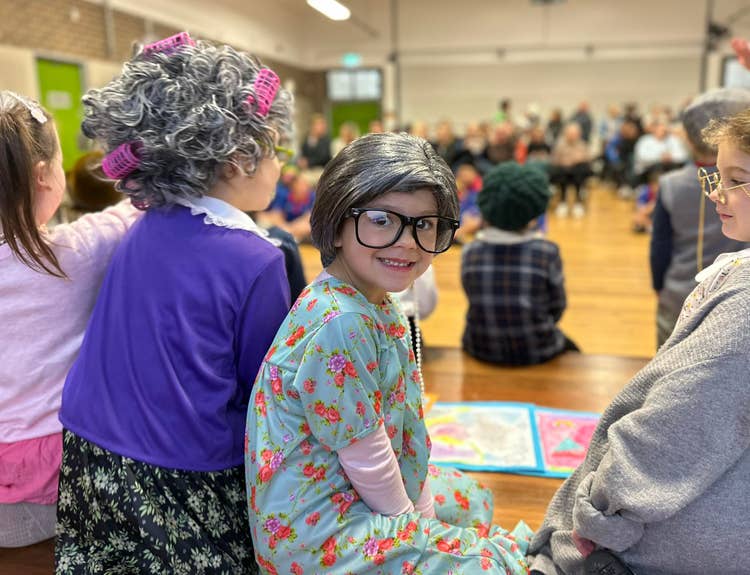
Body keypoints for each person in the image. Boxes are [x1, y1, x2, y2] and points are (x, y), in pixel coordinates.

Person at [56, 34, 293, 574]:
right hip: (183, 467)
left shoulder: (146, 222)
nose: (281, 166)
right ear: (237, 160)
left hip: (91, 449)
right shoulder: (257, 258)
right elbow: (268, 394)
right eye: (275, 151)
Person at [245, 132, 532, 575]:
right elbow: (368, 457)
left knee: (473, 499)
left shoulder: (374, 301)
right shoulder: (339, 320)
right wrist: (421, 532)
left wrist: (426, 524)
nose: (408, 242)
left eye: (425, 224)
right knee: (502, 563)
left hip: (353, 489)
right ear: (337, 223)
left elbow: (393, 430)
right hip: (318, 533)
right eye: (381, 219)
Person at [527, 108, 750, 575]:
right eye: (719, 176)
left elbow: (676, 429)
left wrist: (595, 522)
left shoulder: (743, 312)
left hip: (645, 546)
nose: (718, 194)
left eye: (737, 180)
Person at [0, 92, 138, 547]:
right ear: (44, 177)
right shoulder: (70, 254)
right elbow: (132, 208)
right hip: (53, 487)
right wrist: (130, 155)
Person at [650, 88, 750, 347]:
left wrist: (659, 285)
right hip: (693, 297)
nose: (717, 193)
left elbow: (660, 246)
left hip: (680, 292)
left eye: (737, 181)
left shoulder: (671, 184)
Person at [461, 161, 577, 366]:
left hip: (480, 346)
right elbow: (557, 306)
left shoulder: (470, 251)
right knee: (574, 350)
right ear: (534, 213)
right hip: (537, 349)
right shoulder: (547, 252)